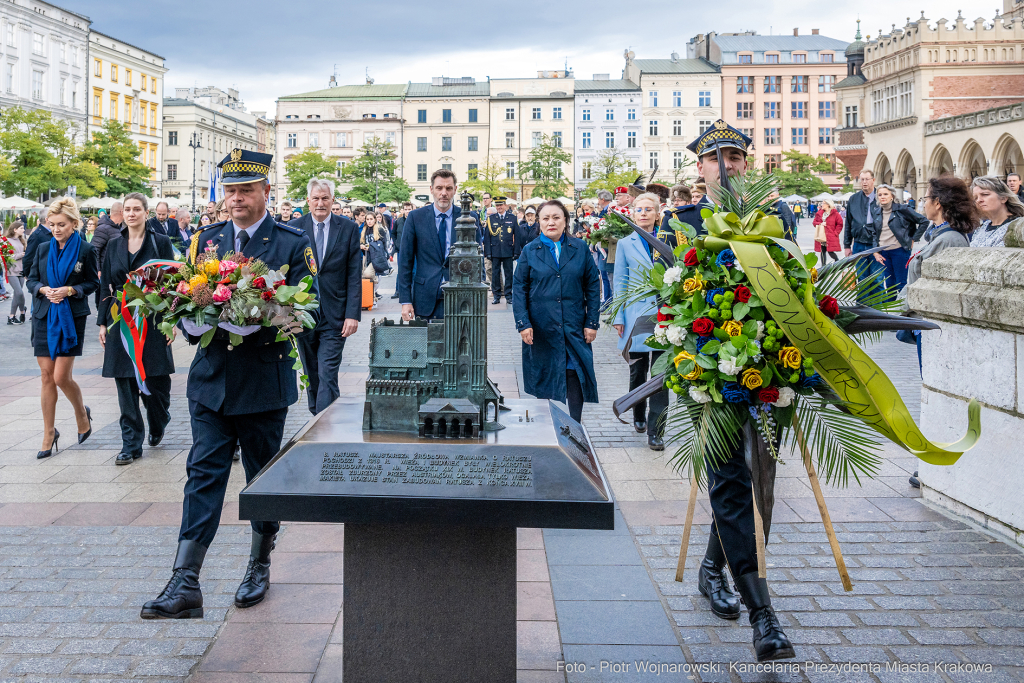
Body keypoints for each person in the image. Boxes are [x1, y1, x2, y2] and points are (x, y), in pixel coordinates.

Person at [141, 149, 318, 619]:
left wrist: (260, 318)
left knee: (262, 478)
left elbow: (307, 310)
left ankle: (259, 563)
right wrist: (190, 324)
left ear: (265, 192)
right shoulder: (205, 240)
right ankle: (185, 581)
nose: (236, 199)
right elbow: (187, 297)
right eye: (230, 190)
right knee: (203, 474)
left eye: (245, 190)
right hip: (212, 379)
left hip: (263, 379)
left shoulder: (290, 242)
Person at [685, 119, 796, 662]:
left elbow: (795, 289)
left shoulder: (774, 221)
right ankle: (763, 617)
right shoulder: (685, 224)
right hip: (709, 378)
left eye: (735, 157)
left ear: (746, 165)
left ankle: (711, 570)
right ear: (700, 166)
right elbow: (670, 305)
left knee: (752, 483)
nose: (726, 165)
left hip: (768, 372)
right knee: (731, 481)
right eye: (715, 157)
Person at [97, 193, 176, 465]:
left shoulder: (160, 242)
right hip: (121, 318)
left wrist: (171, 321)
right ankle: (130, 443)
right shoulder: (114, 244)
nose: (131, 214)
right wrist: (102, 322)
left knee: (156, 380)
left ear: (146, 212)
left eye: (136, 209)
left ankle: (159, 418)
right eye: (127, 209)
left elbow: (173, 284)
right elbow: (105, 284)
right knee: (125, 381)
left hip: (152, 317)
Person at [513, 200, 601, 423]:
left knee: (574, 371)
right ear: (539, 222)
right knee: (545, 372)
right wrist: (523, 323)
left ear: (565, 220)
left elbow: (592, 285)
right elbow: (519, 288)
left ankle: (575, 425)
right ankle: (547, 424)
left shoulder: (579, 248)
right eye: (546, 218)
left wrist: (592, 322)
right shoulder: (530, 251)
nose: (551, 222)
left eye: (556, 217)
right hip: (541, 325)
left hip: (574, 323)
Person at [25, 197, 98, 460]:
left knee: (60, 378)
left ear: (74, 224)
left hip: (71, 317)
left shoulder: (86, 251)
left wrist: (70, 290)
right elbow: (31, 279)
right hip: (44, 315)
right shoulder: (43, 249)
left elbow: (92, 283)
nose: (56, 229)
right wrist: (43, 289)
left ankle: (81, 413)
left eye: (61, 224)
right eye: (52, 224)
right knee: (46, 376)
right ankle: (48, 432)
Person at [294, 178, 362, 415]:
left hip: (336, 316)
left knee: (327, 373)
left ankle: (324, 425)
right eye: (316, 198)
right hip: (303, 314)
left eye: (325, 198)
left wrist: (352, 315)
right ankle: (317, 417)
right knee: (311, 372)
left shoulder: (349, 228)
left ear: (333, 200)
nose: (321, 203)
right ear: (308, 201)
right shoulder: (294, 228)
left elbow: (354, 275)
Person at [612, 192, 670, 451]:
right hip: (636, 318)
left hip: (665, 318)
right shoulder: (625, 243)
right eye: (639, 209)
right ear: (632, 213)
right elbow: (620, 282)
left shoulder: (668, 240)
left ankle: (656, 430)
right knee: (637, 371)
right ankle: (638, 413)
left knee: (660, 375)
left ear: (658, 213)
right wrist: (618, 316)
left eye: (649, 209)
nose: (644, 213)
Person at [908, 176, 976, 376]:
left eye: (925, 198)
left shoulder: (949, 240)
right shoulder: (938, 235)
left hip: (932, 325)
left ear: (937, 203)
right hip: (923, 322)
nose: (923, 203)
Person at [398, 169, 462, 321]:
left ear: (455, 190)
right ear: (431, 189)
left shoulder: (467, 217)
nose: (444, 193)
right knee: (427, 344)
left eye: (448, 188)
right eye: (439, 188)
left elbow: (477, 258)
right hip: (424, 297)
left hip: (460, 298)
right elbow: (405, 260)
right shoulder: (415, 217)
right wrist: (405, 300)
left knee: (460, 344)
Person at [871, 184, 929, 293]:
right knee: (889, 285)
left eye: (885, 194)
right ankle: (891, 309)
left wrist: (913, 239)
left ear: (892, 196)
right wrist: (875, 252)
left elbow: (924, 221)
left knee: (901, 283)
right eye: (880, 194)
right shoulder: (877, 212)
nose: (882, 196)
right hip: (884, 252)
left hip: (899, 251)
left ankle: (903, 309)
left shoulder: (902, 209)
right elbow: (874, 233)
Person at [843, 170, 883, 294]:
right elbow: (848, 223)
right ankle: (862, 310)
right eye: (862, 179)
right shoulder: (853, 199)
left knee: (877, 279)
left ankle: (878, 311)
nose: (864, 182)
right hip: (859, 244)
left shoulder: (881, 197)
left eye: (867, 179)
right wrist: (847, 245)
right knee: (862, 279)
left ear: (873, 180)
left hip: (877, 245)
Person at [970, 175, 1024, 248]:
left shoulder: (1019, 227)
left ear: (1003, 198)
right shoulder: (981, 228)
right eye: (975, 198)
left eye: (985, 194)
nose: (979, 200)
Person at [484, 196, 516, 304]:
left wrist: (516, 251)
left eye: (501, 205)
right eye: (497, 205)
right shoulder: (491, 219)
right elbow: (487, 237)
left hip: (508, 250)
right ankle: (496, 295)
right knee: (495, 274)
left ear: (505, 205)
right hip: (495, 251)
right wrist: (487, 252)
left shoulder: (512, 218)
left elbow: (517, 236)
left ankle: (508, 295)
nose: (499, 207)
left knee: (508, 274)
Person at [5, 222, 27, 325]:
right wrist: (20, 255)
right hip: (11, 271)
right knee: (19, 293)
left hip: (21, 270)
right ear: (15, 229)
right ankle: (22, 311)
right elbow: (6, 258)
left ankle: (11, 316)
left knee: (17, 296)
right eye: (21, 228)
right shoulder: (6, 241)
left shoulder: (22, 240)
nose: (23, 230)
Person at [812, 200, 843, 266]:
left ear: (828, 204)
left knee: (830, 251)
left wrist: (836, 233)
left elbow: (840, 224)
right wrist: (820, 223)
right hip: (822, 235)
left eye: (823, 203)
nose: (821, 205)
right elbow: (814, 223)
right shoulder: (819, 213)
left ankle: (837, 261)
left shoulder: (835, 214)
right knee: (822, 250)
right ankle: (823, 266)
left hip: (831, 235)